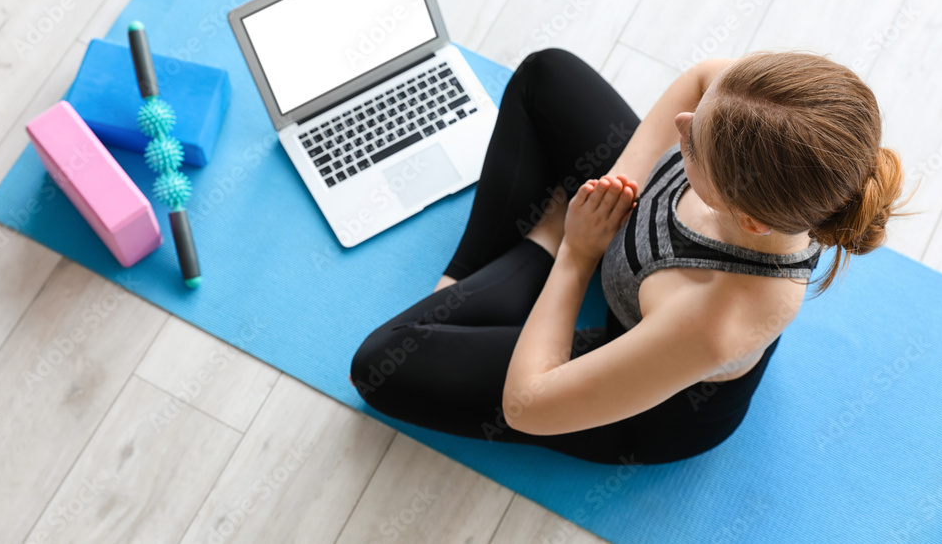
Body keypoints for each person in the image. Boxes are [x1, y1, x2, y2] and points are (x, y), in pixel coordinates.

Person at [349, 48, 908, 465]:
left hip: (650, 399)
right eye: (706, 115)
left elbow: (527, 405)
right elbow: (699, 79)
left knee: (378, 365)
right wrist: (612, 187)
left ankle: (538, 244)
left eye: (694, 145)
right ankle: (469, 276)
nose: (681, 125)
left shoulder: (717, 318)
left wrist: (575, 251)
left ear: (751, 219)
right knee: (546, 73)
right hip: (630, 244)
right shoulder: (771, 118)